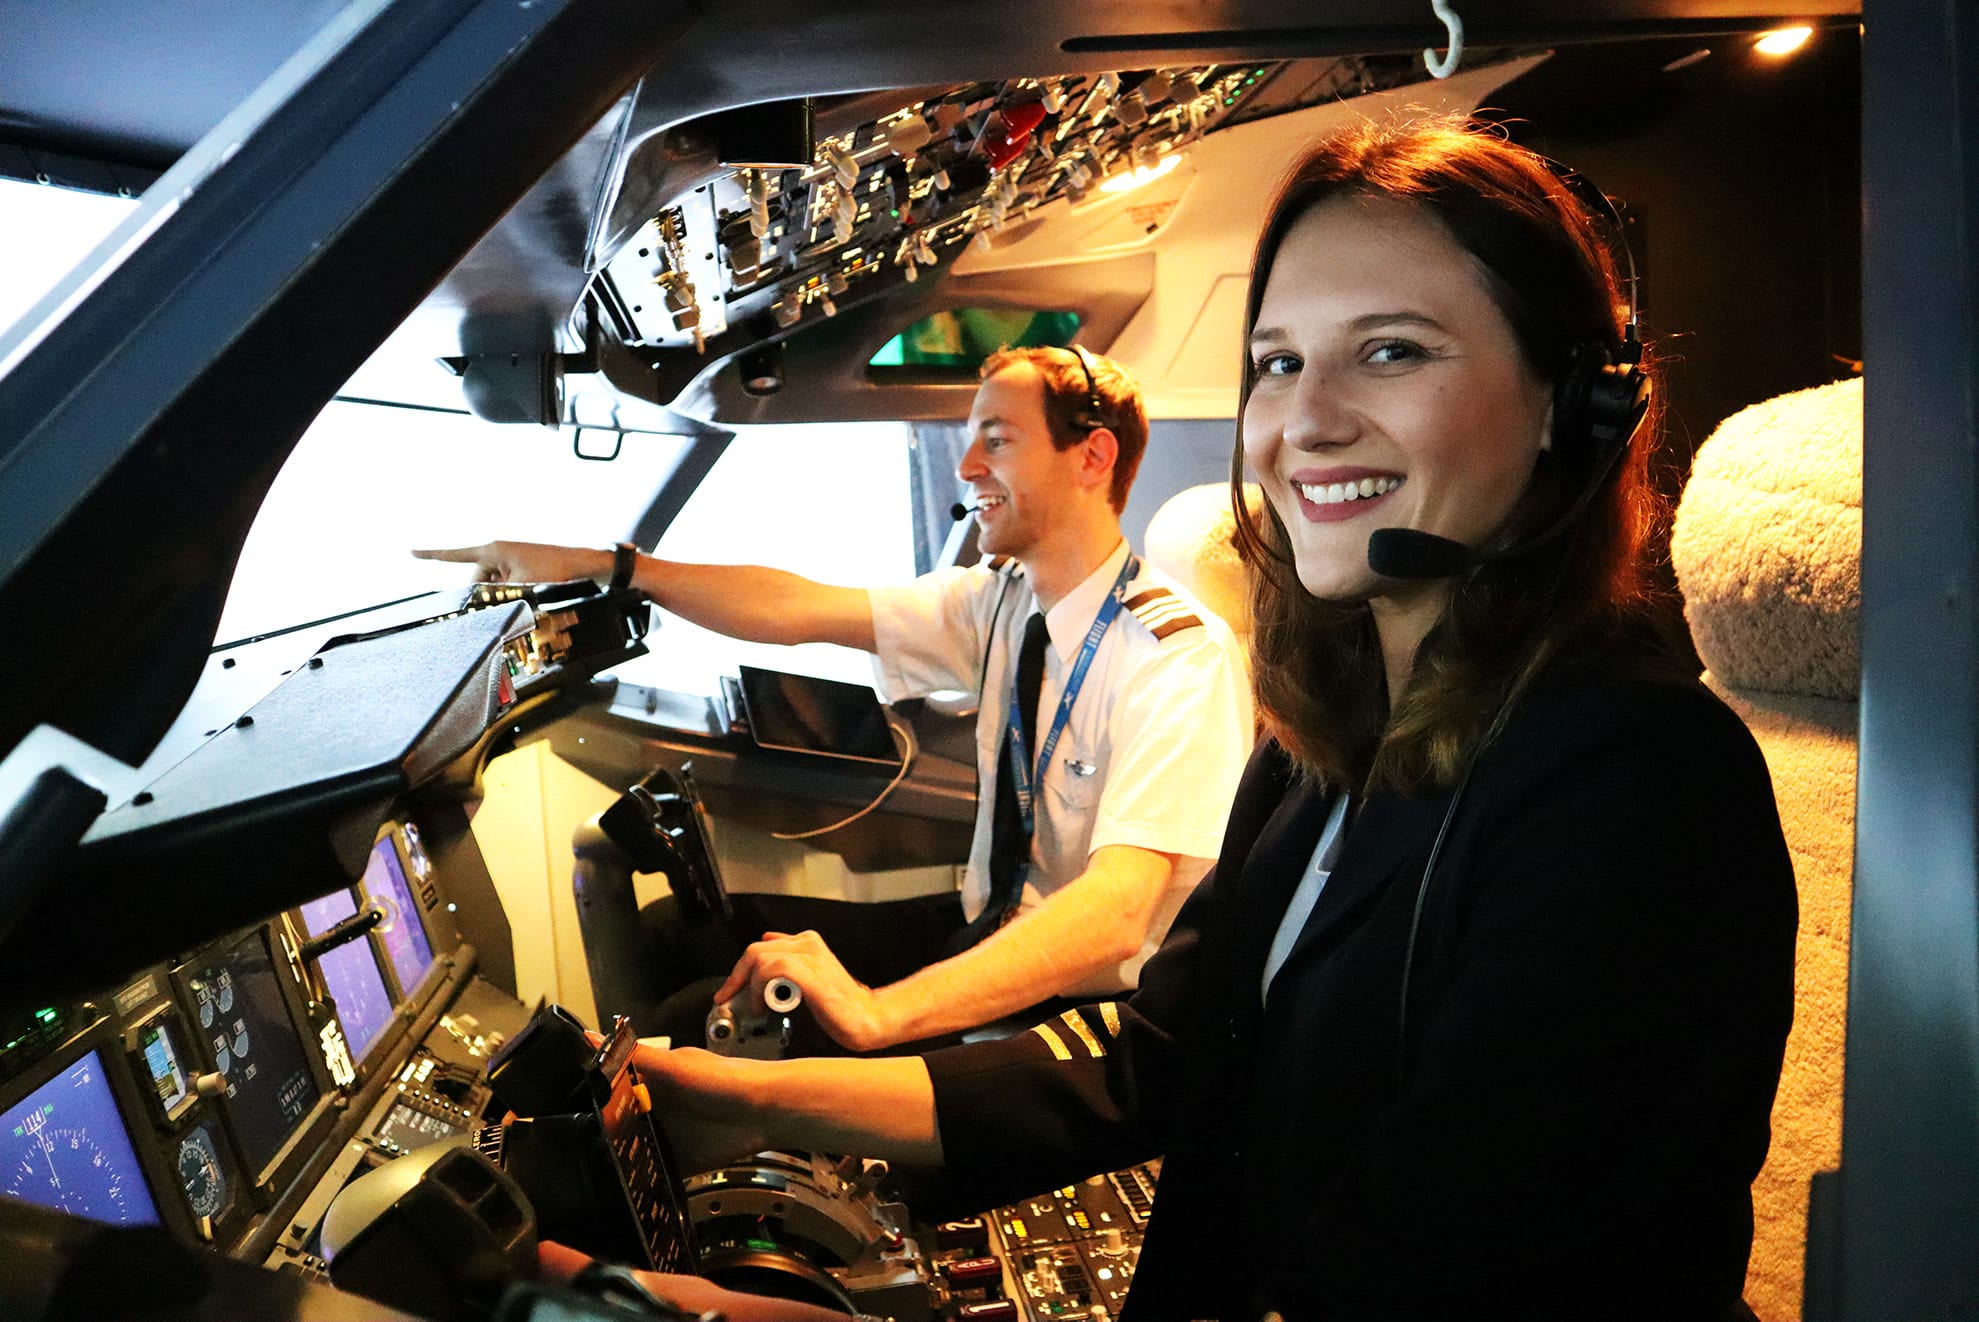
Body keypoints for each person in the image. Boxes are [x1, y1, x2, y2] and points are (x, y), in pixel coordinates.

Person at [572, 116, 1800, 1320]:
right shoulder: (1321, 747)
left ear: (1569, 402)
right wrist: (752, 1101)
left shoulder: (1634, 788)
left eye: (1390, 351)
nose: (1304, 419)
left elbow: (1425, 1273)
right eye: (1276, 361)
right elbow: (1147, 1069)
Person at [418, 346, 1254, 1052]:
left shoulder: (1176, 661)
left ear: (1092, 458)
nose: (966, 469)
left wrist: (879, 1013)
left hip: (1075, 1000)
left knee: (690, 1022)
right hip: (985, 923)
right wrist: (611, 566)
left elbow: (1114, 917)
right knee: (682, 935)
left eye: (994, 441)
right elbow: (796, 608)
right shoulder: (1000, 599)